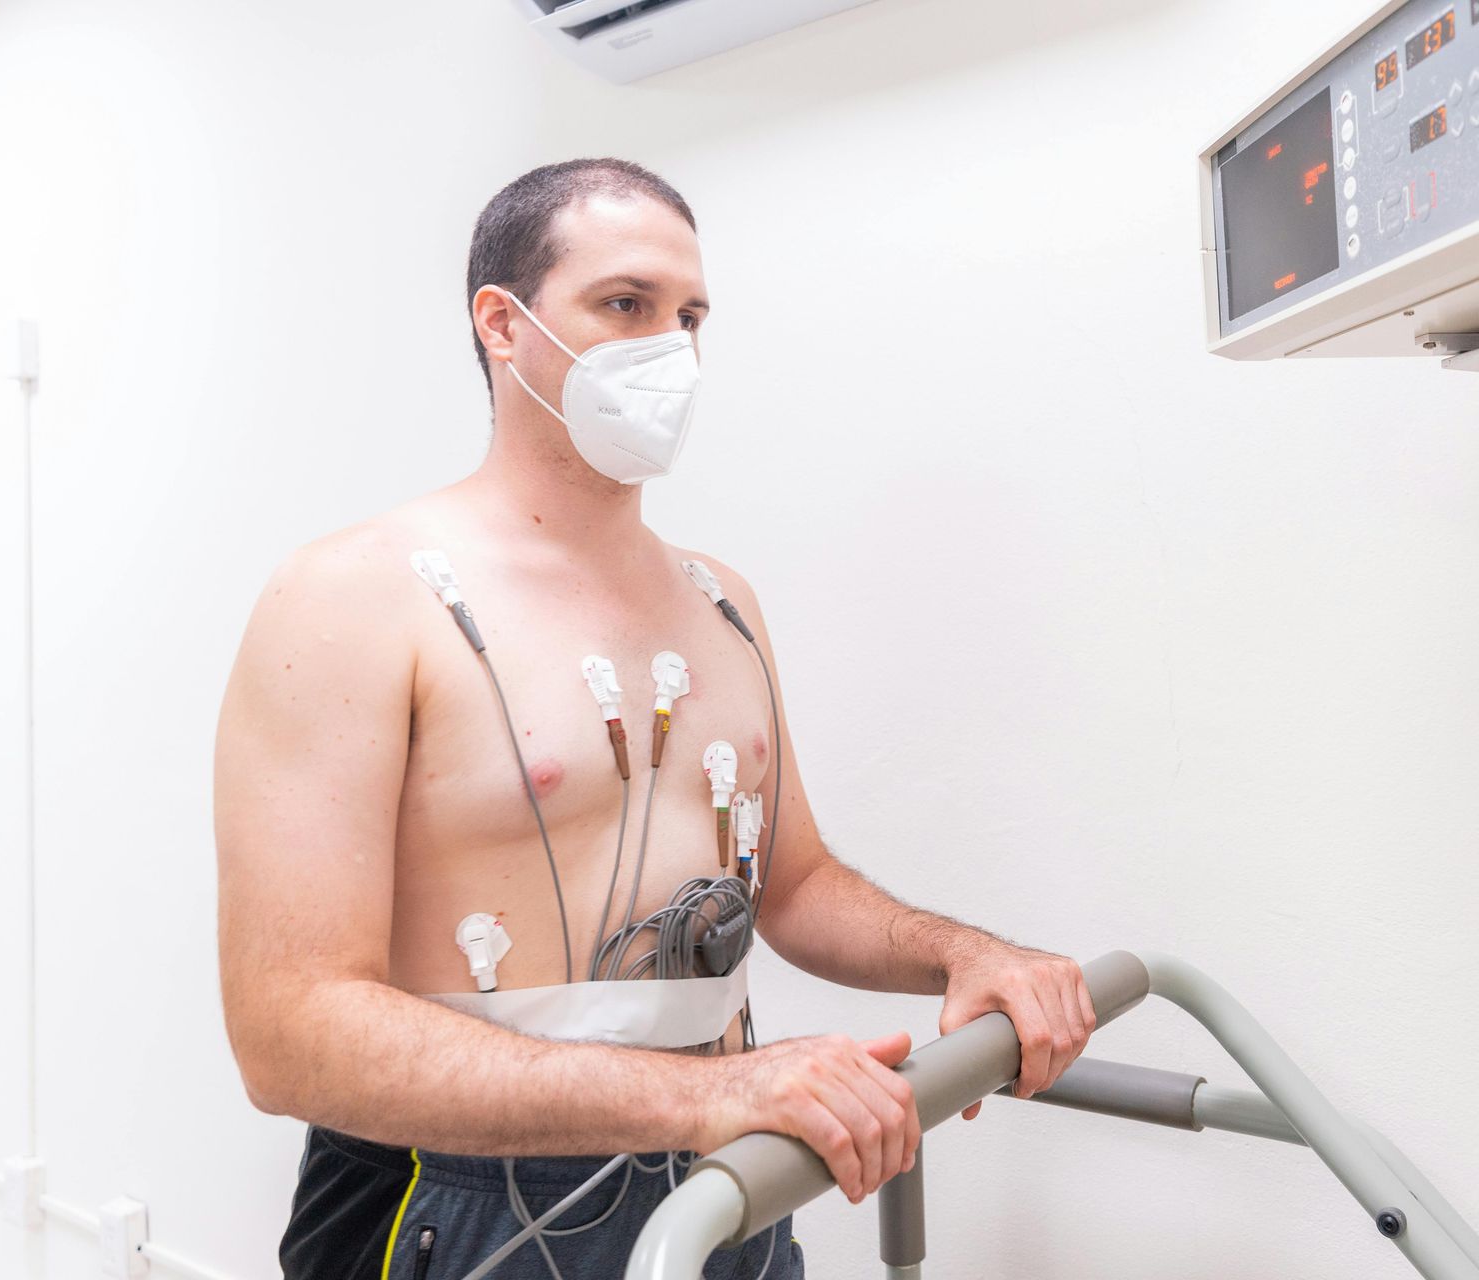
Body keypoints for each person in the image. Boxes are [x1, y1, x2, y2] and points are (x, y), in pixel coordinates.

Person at [213, 158, 1096, 1279]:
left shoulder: (720, 602)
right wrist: (707, 1093)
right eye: (625, 305)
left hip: (728, 1171)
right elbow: (288, 1031)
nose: (670, 349)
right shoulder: (356, 597)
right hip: (460, 1195)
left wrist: (969, 956)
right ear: (503, 323)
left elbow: (795, 883)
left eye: (691, 316)